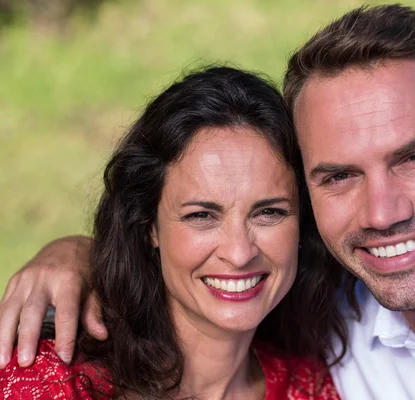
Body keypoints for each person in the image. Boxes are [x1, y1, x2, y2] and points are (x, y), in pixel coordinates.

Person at [3, 3, 415, 399]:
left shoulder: (314, 365)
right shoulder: (342, 312)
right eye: (338, 176)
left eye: (414, 157)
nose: (382, 213)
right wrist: (76, 254)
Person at [0, 66, 343, 399]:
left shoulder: (310, 386)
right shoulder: (47, 379)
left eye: (269, 212)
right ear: (150, 226)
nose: (239, 253)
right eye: (201, 215)